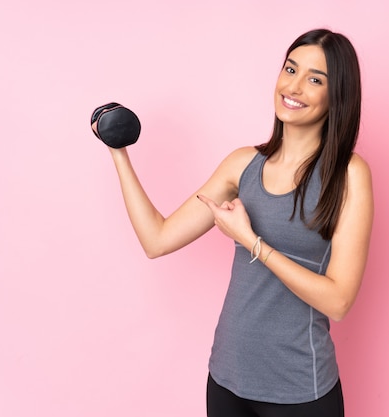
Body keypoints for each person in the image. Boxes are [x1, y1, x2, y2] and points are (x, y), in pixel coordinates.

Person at [99, 28, 373, 417]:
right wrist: (118, 153)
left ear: (337, 96)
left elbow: (340, 301)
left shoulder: (348, 175)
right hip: (227, 378)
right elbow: (156, 239)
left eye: (315, 79)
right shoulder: (242, 165)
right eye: (290, 69)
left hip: (299, 391)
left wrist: (252, 242)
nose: (294, 86)